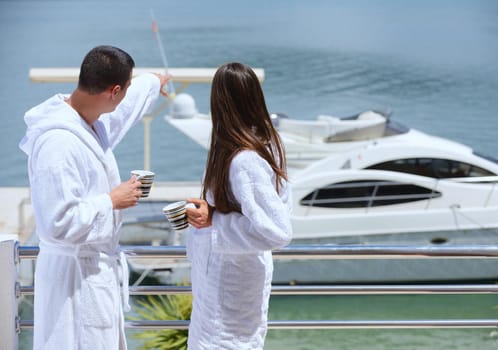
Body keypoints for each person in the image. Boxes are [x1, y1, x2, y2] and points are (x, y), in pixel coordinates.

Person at [19, 45, 170, 349]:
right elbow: (57, 224)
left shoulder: (88, 123)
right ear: (113, 91)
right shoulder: (58, 144)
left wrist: (153, 81)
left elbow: (124, 113)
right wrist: (111, 200)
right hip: (73, 284)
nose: (126, 96)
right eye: (125, 89)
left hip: (92, 277)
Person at [185, 62, 293, 350]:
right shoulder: (265, 143)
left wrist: (214, 221)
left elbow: (277, 231)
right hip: (229, 279)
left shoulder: (245, 161)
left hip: (230, 285)